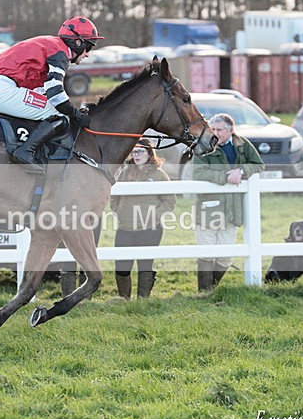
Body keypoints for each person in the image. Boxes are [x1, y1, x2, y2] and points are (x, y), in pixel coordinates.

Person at [0, 16, 103, 173]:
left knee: (52, 107)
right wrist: (75, 114)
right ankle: (25, 151)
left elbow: (44, 91)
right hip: (1, 89)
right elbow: (56, 94)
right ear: (78, 42)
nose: (87, 54)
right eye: (89, 47)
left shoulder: (52, 44)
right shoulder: (60, 52)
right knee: (60, 114)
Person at [193, 113, 265, 290]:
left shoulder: (242, 145)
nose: (215, 133)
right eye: (213, 129)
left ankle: (213, 288)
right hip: (209, 208)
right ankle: (204, 292)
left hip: (233, 208)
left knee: (226, 255)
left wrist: (240, 171)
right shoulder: (203, 145)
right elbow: (198, 173)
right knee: (207, 252)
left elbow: (258, 165)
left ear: (231, 131)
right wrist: (224, 177)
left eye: (219, 130)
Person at [109, 139, 176, 298]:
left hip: (149, 229)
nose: (137, 154)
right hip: (125, 227)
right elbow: (114, 196)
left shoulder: (159, 174)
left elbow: (170, 201)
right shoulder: (124, 172)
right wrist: (118, 210)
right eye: (134, 151)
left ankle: (143, 300)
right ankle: (124, 299)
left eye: (141, 151)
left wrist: (153, 216)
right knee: (122, 267)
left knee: (145, 265)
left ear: (149, 153)